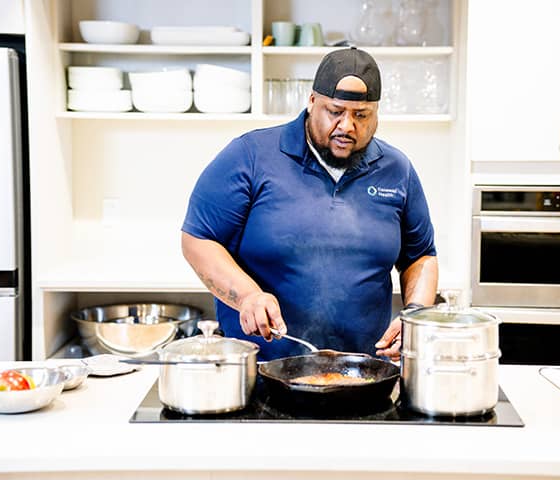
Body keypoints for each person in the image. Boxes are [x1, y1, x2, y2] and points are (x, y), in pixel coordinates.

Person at [181, 47, 438, 361]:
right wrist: (247, 296)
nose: (347, 126)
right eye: (335, 111)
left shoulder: (397, 170)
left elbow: (421, 256)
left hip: (364, 376)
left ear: (376, 114)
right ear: (312, 101)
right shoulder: (250, 155)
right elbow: (198, 239)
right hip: (261, 376)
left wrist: (416, 314)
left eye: (361, 115)